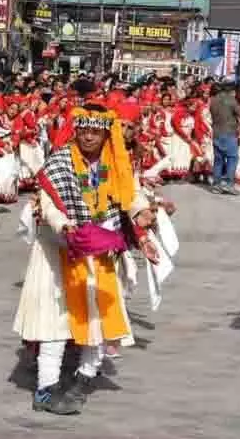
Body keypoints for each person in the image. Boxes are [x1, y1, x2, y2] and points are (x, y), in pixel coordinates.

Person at [15, 103, 157, 416]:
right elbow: (48, 203)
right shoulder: (60, 161)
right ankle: (46, 389)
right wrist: (65, 226)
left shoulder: (115, 161)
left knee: (97, 319)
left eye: (95, 131)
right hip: (58, 252)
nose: (89, 137)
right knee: (54, 323)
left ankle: (84, 377)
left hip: (100, 254)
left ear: (107, 133)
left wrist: (142, 214)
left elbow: (129, 193)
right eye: (83, 130)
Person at [210, 84, 240, 195]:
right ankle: (229, 185)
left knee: (218, 160)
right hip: (229, 133)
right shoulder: (231, 100)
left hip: (216, 133)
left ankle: (216, 185)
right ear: (232, 91)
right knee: (232, 159)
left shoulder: (213, 101)